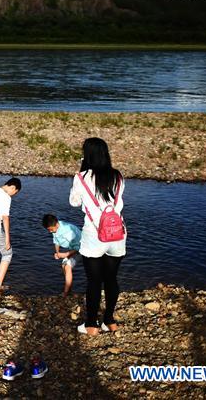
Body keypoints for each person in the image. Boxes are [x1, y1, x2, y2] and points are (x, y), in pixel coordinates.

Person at [69, 137, 126, 335]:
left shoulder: (81, 177)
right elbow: (117, 203)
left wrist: (82, 171)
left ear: (87, 155)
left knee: (94, 281)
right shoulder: (118, 176)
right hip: (118, 234)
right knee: (111, 279)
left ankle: (91, 324)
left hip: (94, 234)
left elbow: (74, 202)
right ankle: (109, 320)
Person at [42, 214, 82, 297]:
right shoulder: (55, 229)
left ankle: (66, 293)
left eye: (51, 229)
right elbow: (56, 241)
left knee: (67, 266)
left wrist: (66, 254)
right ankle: (70, 290)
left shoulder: (67, 231)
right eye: (48, 230)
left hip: (82, 248)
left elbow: (78, 246)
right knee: (64, 265)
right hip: (72, 248)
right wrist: (57, 253)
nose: (50, 232)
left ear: (56, 224)